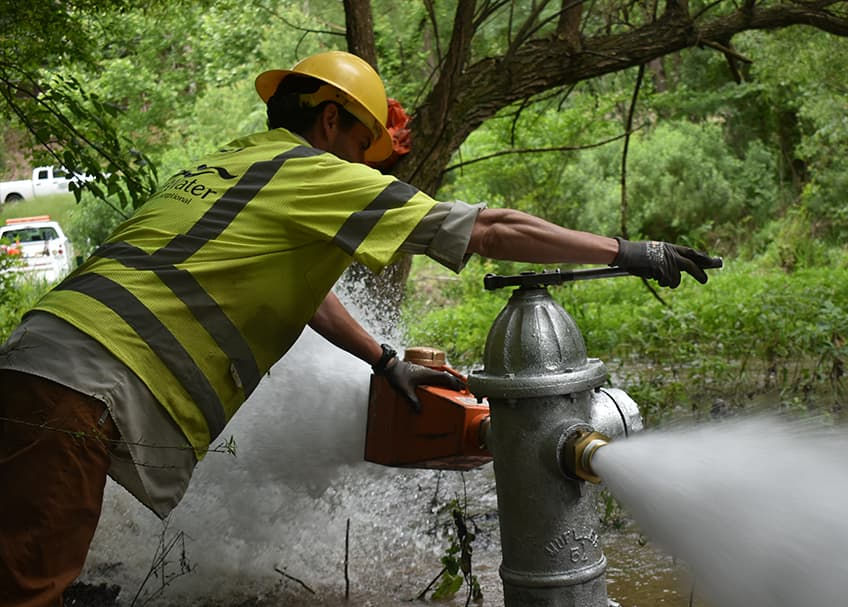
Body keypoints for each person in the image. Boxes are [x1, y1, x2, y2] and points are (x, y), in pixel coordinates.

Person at [0, 50, 713, 606]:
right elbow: (488, 228)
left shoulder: (228, 166)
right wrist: (627, 252)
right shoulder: (313, 171)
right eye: (362, 144)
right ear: (331, 120)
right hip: (79, 388)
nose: (362, 167)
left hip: (37, 363)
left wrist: (383, 358)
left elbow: (305, 293)